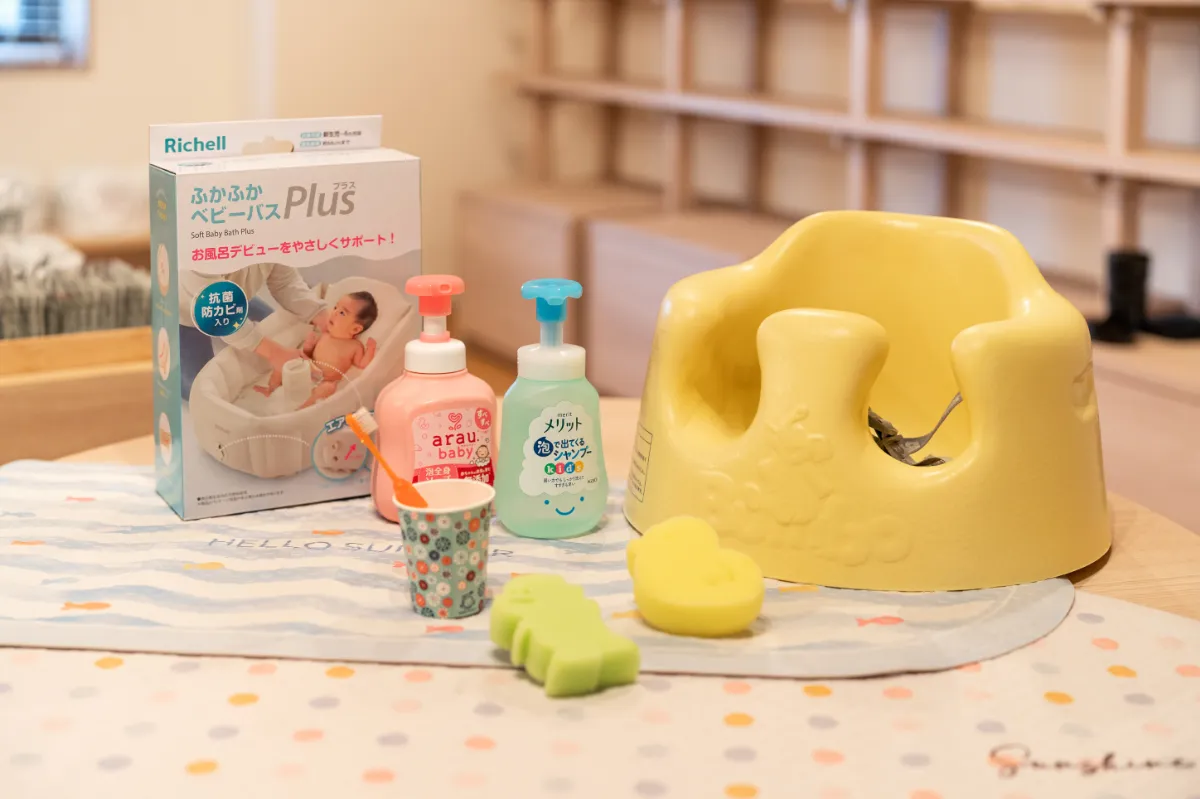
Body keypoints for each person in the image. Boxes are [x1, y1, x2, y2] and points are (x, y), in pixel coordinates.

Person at [177, 263, 328, 401]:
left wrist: (318, 313)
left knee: (276, 333)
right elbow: (219, 316)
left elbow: (285, 283)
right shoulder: (201, 256)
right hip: (184, 311)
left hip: (231, 295)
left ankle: (231, 292)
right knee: (197, 392)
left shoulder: (271, 244)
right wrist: (274, 353)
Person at [256, 290, 378, 408]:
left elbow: (362, 364)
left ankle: (305, 407)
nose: (334, 312)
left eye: (342, 313)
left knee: (329, 388)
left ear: (355, 329)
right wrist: (308, 346)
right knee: (284, 364)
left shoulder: (354, 346)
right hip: (308, 369)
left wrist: (371, 349)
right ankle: (271, 389)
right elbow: (308, 354)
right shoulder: (325, 335)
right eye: (335, 307)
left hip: (324, 380)